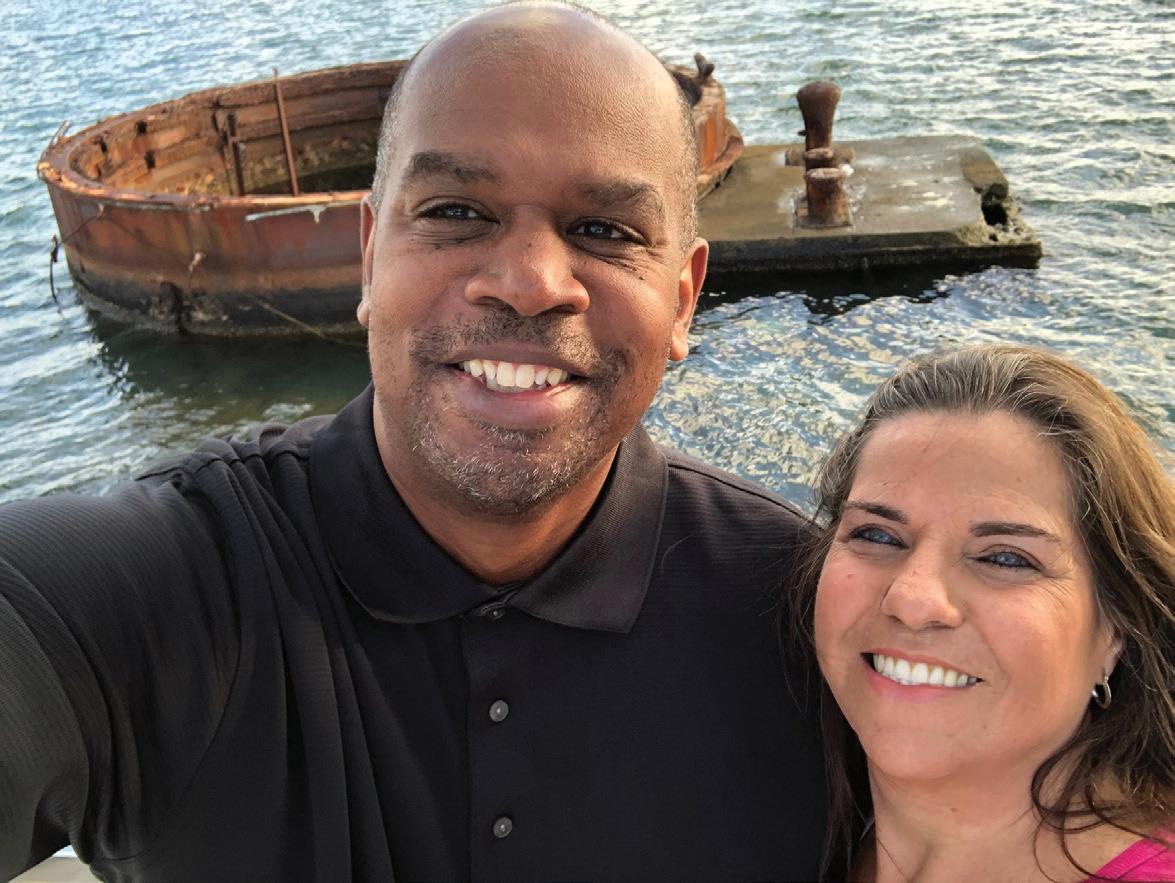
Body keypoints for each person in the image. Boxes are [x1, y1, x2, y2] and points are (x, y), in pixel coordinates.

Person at [0, 3, 827, 880]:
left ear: (683, 299)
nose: (528, 282)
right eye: (457, 210)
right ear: (369, 257)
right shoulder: (165, 590)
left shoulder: (798, 619)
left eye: (605, 230)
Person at [794, 344, 1174, 881]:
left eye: (1005, 558)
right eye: (877, 535)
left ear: (1117, 629)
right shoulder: (792, 816)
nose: (913, 599)